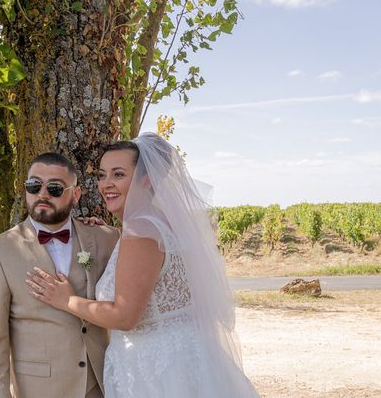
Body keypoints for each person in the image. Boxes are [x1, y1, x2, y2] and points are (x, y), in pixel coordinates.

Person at [27, 133, 259, 397]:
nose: (106, 185)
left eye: (118, 175)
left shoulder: (140, 230)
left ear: (146, 180)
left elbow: (125, 317)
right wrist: (112, 234)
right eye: (102, 175)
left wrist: (67, 301)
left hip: (154, 370)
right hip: (186, 358)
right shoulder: (163, 224)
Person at [0, 153, 119, 398]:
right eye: (34, 185)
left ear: (75, 195)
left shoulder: (107, 237)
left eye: (54, 188)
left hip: (102, 384)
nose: (42, 194)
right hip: (40, 390)